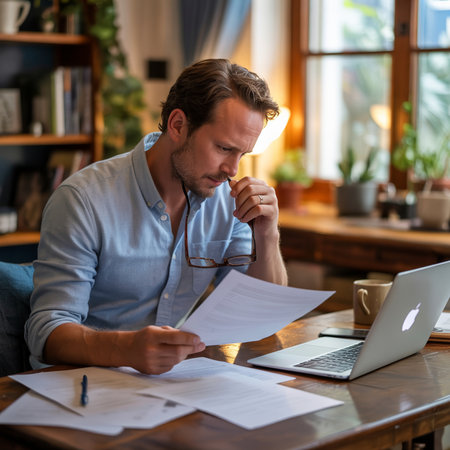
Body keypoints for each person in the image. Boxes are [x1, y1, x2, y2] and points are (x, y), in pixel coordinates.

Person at [25, 58, 288, 375]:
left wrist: (267, 233)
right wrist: (126, 349)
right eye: (223, 148)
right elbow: (46, 333)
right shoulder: (83, 200)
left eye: (242, 154)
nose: (232, 170)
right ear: (178, 125)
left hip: (171, 386)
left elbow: (261, 315)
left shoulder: (226, 201)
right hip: (82, 384)